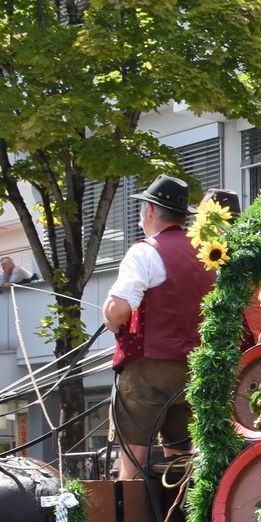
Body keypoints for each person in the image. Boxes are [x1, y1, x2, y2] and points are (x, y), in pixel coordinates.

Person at [103, 175, 216, 482]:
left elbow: (118, 310)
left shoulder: (145, 251)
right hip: (196, 371)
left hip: (149, 371)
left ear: (151, 211)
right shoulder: (209, 255)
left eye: (142, 208)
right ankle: (182, 518)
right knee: (181, 462)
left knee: (133, 459)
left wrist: (110, 319)